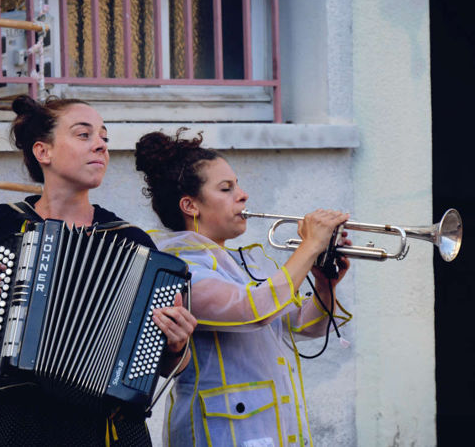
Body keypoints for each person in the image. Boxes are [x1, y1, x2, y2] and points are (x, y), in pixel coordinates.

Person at [0, 95, 197, 446]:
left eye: (105, 139)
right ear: (43, 152)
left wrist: (177, 344)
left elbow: (170, 365)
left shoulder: (132, 243)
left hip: (100, 428)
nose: (100, 145)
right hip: (10, 423)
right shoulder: (4, 222)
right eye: (84, 135)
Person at [134, 129, 352, 447]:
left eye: (238, 185)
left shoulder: (244, 262)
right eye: (226, 188)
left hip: (270, 429)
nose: (243, 195)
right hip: (220, 434)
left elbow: (306, 325)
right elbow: (251, 311)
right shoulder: (178, 268)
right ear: (190, 205)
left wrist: (325, 283)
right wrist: (310, 246)